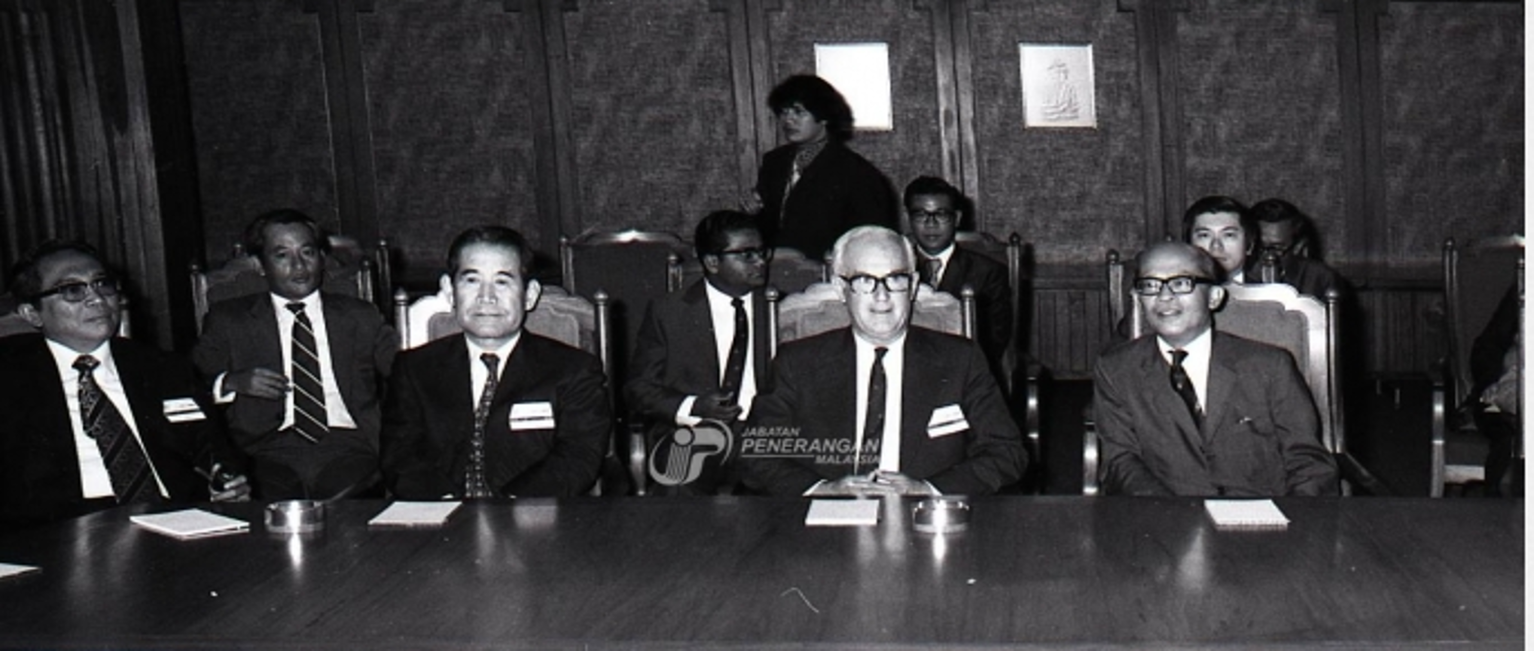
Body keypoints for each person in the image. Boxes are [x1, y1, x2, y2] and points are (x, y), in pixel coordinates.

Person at [741, 226, 1026, 497]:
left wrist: (927, 490)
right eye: (865, 280)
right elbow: (755, 455)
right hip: (825, 523)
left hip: (925, 518)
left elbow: (1007, 453)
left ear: (913, 285)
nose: (882, 296)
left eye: (896, 278)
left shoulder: (960, 359)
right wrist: (823, 490)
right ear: (841, 288)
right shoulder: (798, 362)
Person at [1, 241, 248, 531]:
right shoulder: (10, 378)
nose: (96, 299)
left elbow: (211, 447)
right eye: (72, 290)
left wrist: (227, 479)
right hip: (62, 532)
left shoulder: (163, 367)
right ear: (32, 313)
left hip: (175, 519)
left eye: (102, 284)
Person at [381, 225, 610, 499]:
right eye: (472, 280)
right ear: (450, 291)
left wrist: (509, 509)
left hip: (533, 518)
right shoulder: (414, 369)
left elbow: (578, 457)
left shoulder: (573, 370)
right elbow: (400, 456)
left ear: (529, 295)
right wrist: (446, 506)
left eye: (502, 281)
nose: (486, 297)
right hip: (441, 520)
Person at [1092, 242, 1338, 496]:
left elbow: (1308, 462)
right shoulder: (1117, 369)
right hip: (1165, 519)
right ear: (1138, 299)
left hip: (1264, 518)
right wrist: (1168, 515)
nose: (1164, 296)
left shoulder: (1269, 366)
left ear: (1213, 297)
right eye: (1150, 286)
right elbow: (1121, 460)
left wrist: (1291, 522)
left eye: (1181, 283)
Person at [192, 210, 396, 499]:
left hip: (350, 445)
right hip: (263, 451)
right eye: (282, 255)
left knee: (344, 504)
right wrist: (230, 382)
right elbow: (188, 384)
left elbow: (405, 373)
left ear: (321, 258)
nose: (299, 266)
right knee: (269, 503)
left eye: (307, 252)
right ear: (260, 264)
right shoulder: (229, 320)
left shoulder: (360, 316)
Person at [625, 211, 773, 494]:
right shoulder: (669, 312)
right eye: (747, 254)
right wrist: (693, 406)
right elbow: (638, 389)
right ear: (712, 262)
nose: (761, 262)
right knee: (679, 488)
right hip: (692, 432)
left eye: (762, 252)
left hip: (765, 436)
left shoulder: (777, 307)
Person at [744, 74, 897, 261]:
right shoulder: (774, 161)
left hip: (825, 275)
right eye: (783, 112)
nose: (788, 120)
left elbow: (872, 241)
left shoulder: (857, 172)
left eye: (798, 112)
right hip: (772, 270)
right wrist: (753, 213)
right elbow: (766, 228)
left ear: (824, 117)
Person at [903, 176, 1013, 376]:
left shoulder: (988, 272)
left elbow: (994, 341)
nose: (931, 224)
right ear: (908, 219)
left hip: (964, 372)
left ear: (957, 218)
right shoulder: (896, 270)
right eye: (920, 215)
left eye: (941, 214)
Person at [1247, 198, 1347, 299]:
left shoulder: (1321, 278)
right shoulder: (1237, 275)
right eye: (1258, 247)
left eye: (1276, 248)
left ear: (1298, 246)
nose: (1268, 256)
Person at [1181, 195, 1255, 284]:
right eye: (1204, 235)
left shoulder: (1269, 293)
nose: (1216, 246)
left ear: (1249, 245)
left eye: (1229, 235)